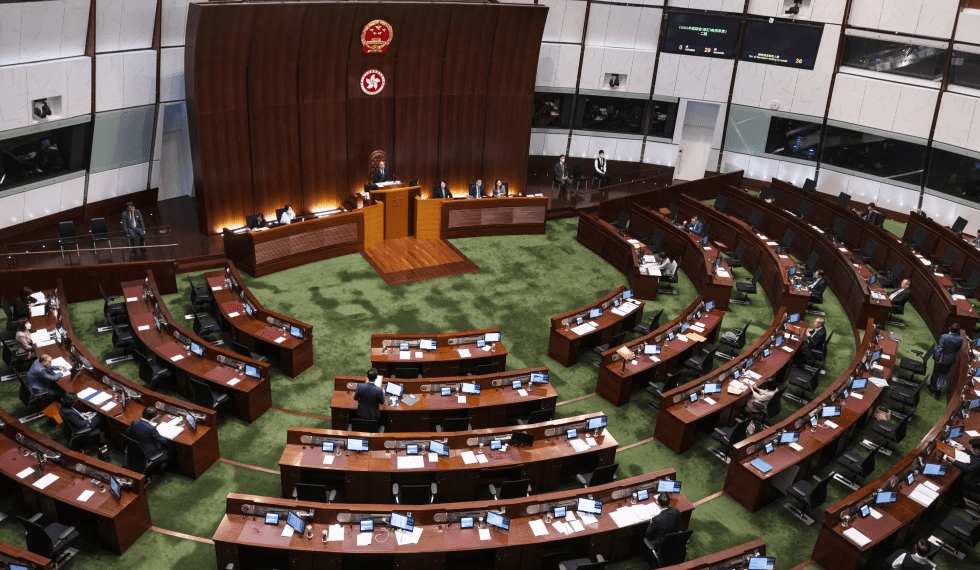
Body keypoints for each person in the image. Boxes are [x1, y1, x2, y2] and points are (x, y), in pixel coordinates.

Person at [929, 323, 963, 395]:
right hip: (950, 360)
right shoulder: (960, 339)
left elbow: (939, 349)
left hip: (941, 359)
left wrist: (936, 357)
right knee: (943, 374)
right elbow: (957, 349)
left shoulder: (944, 337)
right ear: (957, 331)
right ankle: (939, 387)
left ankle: (932, 388)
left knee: (935, 373)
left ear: (949, 328)